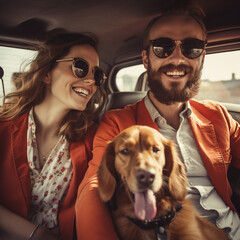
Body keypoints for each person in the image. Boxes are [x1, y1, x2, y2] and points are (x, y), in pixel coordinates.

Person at [75, 2, 240, 240]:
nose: (177, 58)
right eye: (163, 47)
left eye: (192, 48)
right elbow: (94, 186)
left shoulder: (219, 116)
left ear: (202, 58)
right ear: (145, 58)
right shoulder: (118, 122)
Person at [0, 32, 107, 240]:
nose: (90, 80)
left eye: (97, 75)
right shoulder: (3, 129)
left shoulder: (94, 139)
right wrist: (35, 234)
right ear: (47, 73)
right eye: (80, 67)